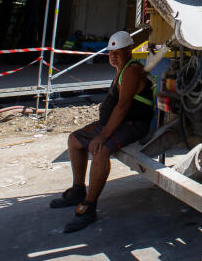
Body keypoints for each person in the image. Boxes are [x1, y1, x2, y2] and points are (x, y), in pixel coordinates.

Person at [50, 31, 154, 232]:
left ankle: (89, 205)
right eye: (111, 52)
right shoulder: (120, 70)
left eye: (118, 52)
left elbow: (123, 106)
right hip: (116, 123)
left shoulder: (131, 70)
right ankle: (78, 190)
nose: (113, 56)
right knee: (75, 140)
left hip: (132, 124)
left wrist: (103, 135)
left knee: (101, 150)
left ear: (128, 52)